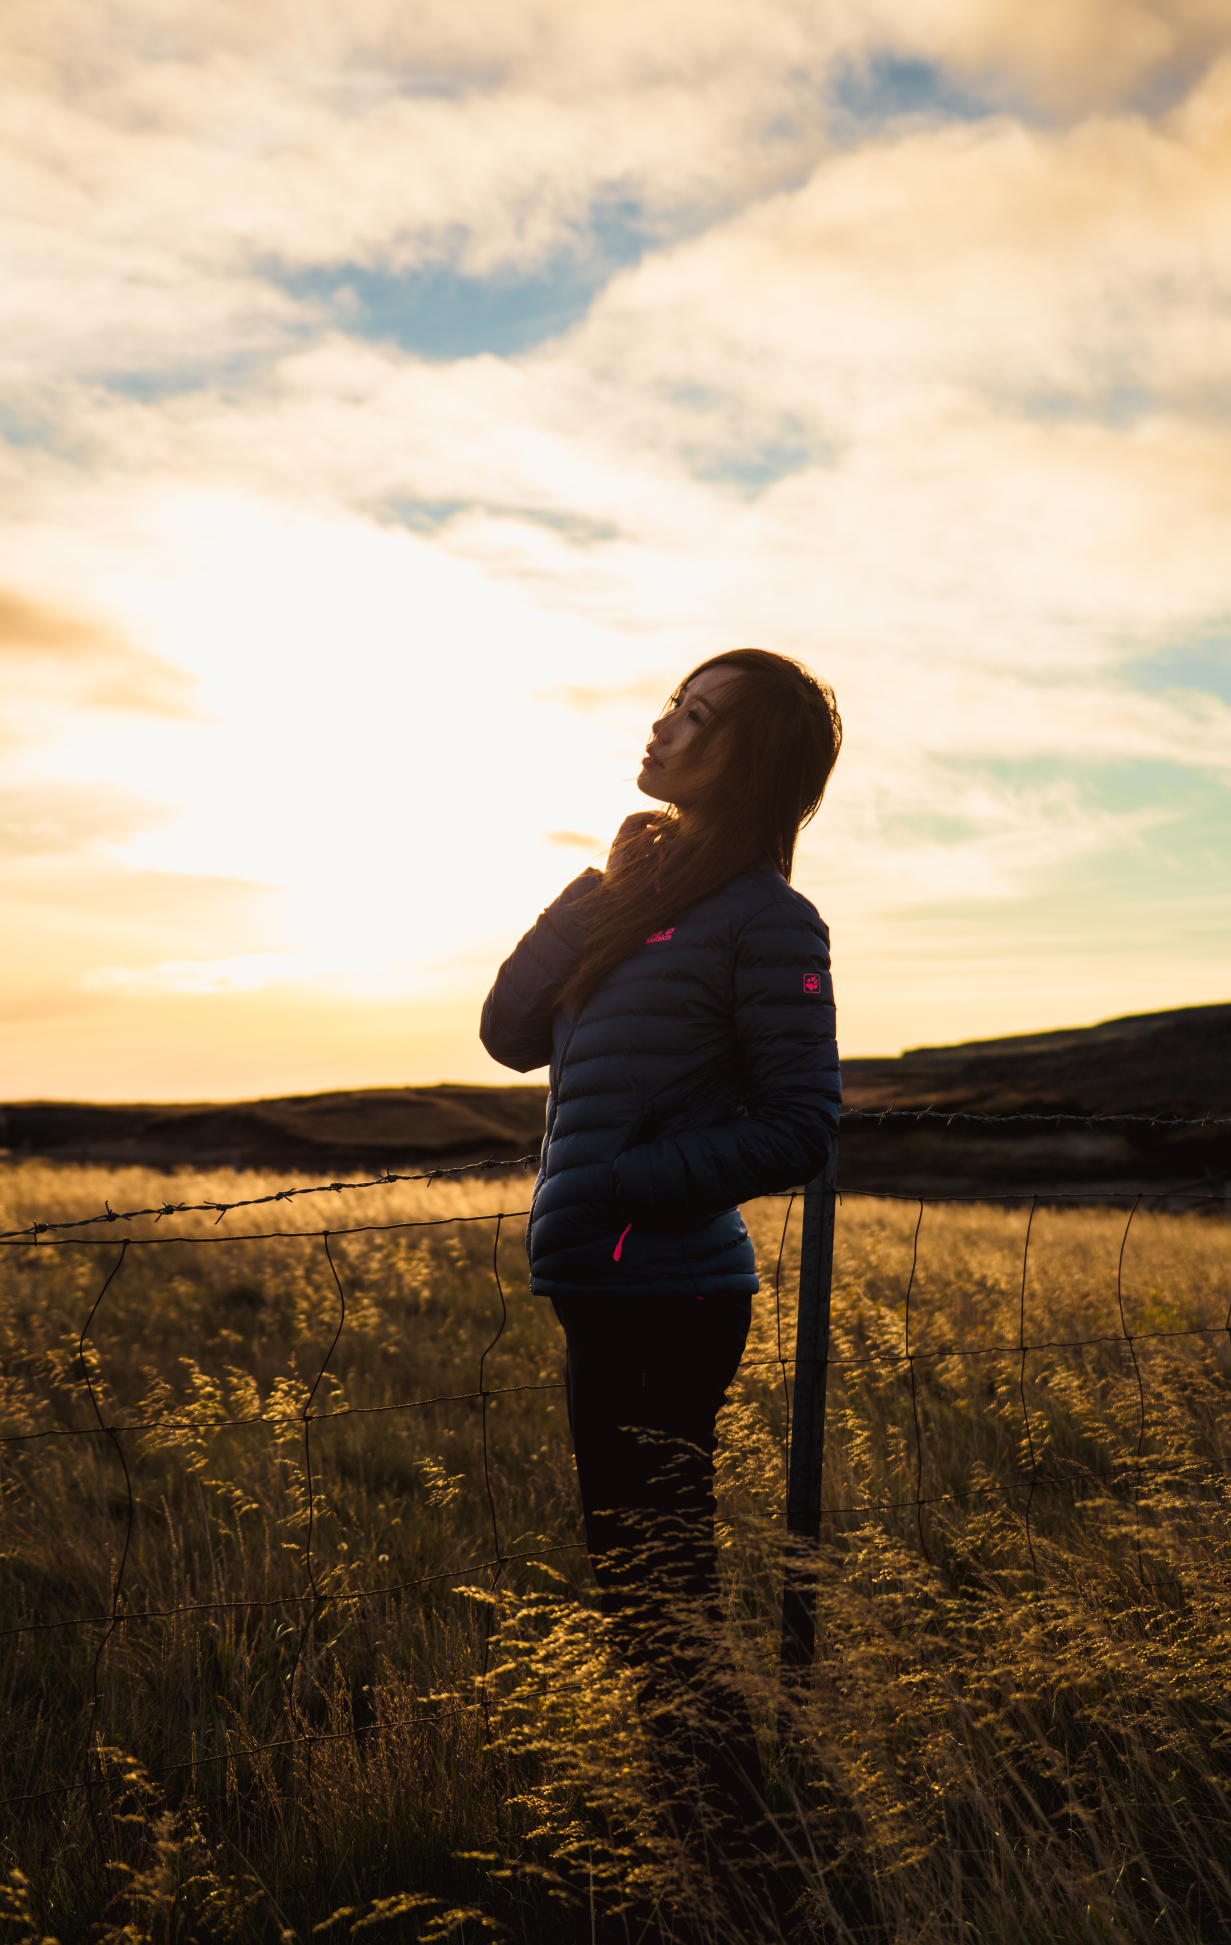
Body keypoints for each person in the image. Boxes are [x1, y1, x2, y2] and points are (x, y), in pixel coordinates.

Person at [479, 647, 842, 1903]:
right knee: (640, 1593)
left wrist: (628, 1185)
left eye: (698, 717)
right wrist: (595, 891)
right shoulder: (637, 896)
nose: (664, 725)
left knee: (661, 1596)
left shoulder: (768, 920)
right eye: (673, 704)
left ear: (748, 760)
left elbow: (802, 1124)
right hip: (603, 1290)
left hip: (673, 1291)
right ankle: (715, 1849)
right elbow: (507, 1031)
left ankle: (739, 1869)